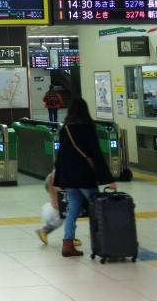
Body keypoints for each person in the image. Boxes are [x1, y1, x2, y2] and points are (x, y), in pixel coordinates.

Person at [53, 98, 116, 257]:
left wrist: (59, 178)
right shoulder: (87, 127)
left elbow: (61, 155)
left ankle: (68, 244)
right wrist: (109, 179)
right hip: (85, 176)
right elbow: (96, 154)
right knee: (98, 208)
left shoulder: (65, 128)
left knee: (73, 209)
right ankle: (105, 242)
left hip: (69, 177)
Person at [36, 170, 81, 247]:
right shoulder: (61, 173)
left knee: (66, 218)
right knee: (62, 219)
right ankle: (44, 231)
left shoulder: (53, 174)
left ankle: (70, 238)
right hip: (60, 204)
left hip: (56, 204)